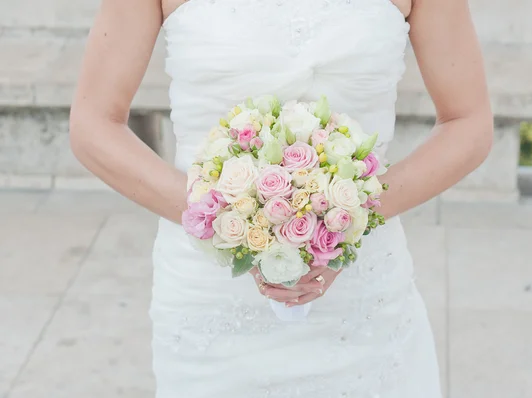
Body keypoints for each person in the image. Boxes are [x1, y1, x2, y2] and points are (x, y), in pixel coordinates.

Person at [70, 0, 492, 396]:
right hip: (211, 303)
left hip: (364, 302)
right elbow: (94, 125)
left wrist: (341, 221)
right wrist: (226, 220)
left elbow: (468, 122)